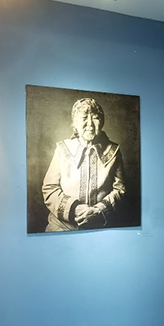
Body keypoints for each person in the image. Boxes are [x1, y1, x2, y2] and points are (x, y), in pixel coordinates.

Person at [42, 98, 126, 231]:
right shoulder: (62, 149)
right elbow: (50, 188)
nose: (90, 124)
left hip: (100, 227)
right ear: (74, 124)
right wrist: (73, 208)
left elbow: (120, 190)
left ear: (102, 122)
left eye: (95, 118)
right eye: (84, 118)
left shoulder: (113, 151)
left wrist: (99, 210)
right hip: (62, 227)